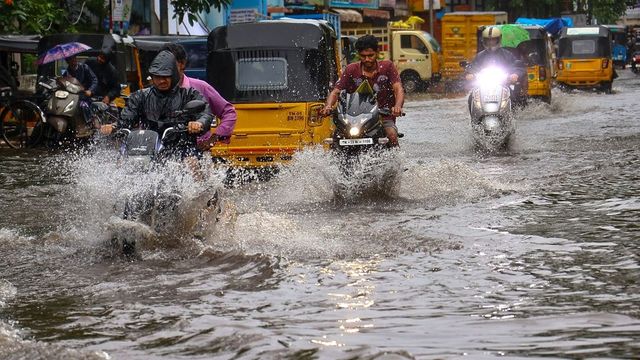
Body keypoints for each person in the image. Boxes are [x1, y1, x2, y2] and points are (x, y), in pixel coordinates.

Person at [100, 50, 212, 158]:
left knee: (191, 163)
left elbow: (205, 114)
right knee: (121, 162)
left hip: (181, 147)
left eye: (165, 77)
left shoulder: (189, 94)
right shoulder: (141, 96)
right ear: (152, 77)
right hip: (145, 146)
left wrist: (199, 123)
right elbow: (126, 118)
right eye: (157, 77)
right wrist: (113, 127)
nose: (161, 81)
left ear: (173, 75)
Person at [320, 34, 404, 146]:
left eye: (370, 55)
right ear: (358, 54)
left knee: (392, 135)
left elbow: (398, 89)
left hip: (382, 116)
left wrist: (397, 106)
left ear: (377, 53)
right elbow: (336, 91)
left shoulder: (387, 67)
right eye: (363, 56)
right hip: (354, 119)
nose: (367, 59)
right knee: (335, 139)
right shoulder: (351, 69)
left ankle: (396, 162)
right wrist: (328, 106)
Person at [160, 42, 236, 151]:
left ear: (182, 64)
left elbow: (229, 112)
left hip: (195, 152)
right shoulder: (152, 91)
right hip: (161, 150)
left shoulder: (201, 87)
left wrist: (214, 138)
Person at [465, 26, 527, 106]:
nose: (491, 42)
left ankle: (511, 117)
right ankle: (475, 118)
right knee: (471, 98)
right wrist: (470, 74)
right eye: (488, 40)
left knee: (513, 98)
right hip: (483, 86)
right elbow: (473, 67)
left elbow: (517, 66)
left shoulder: (507, 54)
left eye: (493, 40)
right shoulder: (480, 56)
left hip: (503, 85)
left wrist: (515, 74)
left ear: (499, 39)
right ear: (484, 40)